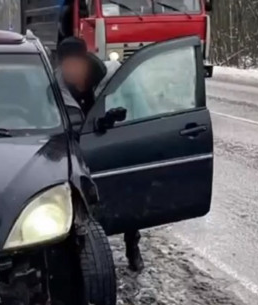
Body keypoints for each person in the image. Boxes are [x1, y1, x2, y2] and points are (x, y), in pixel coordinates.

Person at [56, 37, 145, 272]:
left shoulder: (113, 77)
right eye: (66, 65)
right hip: (78, 151)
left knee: (127, 196)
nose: (71, 71)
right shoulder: (57, 88)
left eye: (75, 63)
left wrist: (114, 121)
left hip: (112, 146)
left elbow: (137, 110)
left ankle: (132, 245)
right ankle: (82, 254)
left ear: (85, 60)